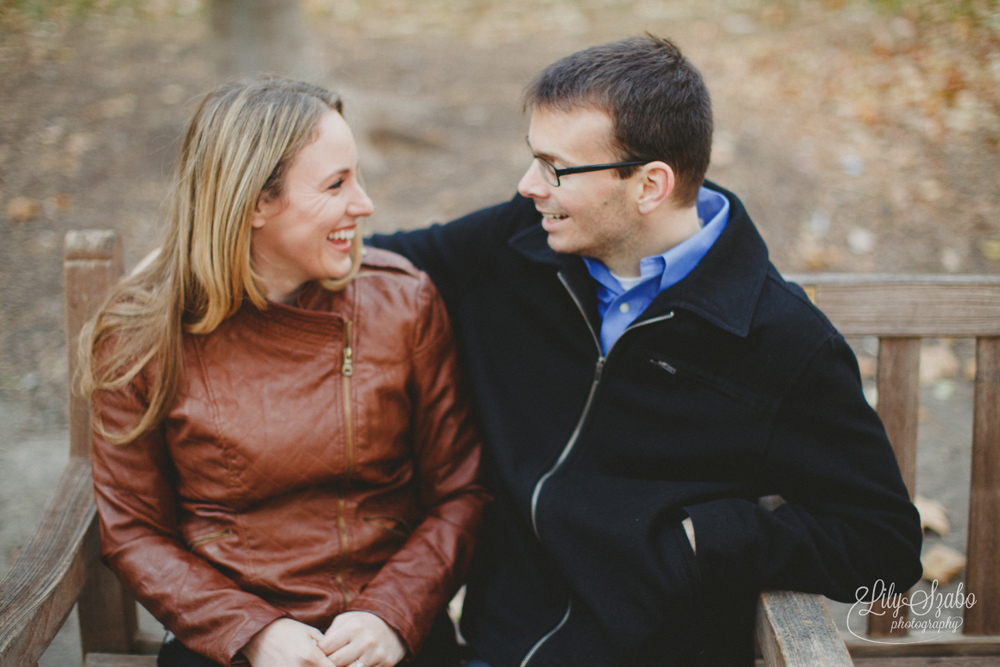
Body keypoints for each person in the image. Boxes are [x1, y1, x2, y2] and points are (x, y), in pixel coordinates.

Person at [368, 35, 923, 666]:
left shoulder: (781, 341)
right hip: (497, 647)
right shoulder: (521, 245)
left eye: (554, 167)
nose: (528, 185)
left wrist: (705, 537)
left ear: (650, 184)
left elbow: (884, 545)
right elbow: (387, 262)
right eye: (532, 159)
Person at [81, 78, 489, 667]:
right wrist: (252, 631)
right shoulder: (143, 334)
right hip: (224, 634)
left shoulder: (402, 303)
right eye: (336, 184)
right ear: (253, 204)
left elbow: (461, 490)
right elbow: (134, 531)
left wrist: (391, 615)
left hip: (387, 628)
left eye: (357, 178)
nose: (365, 204)